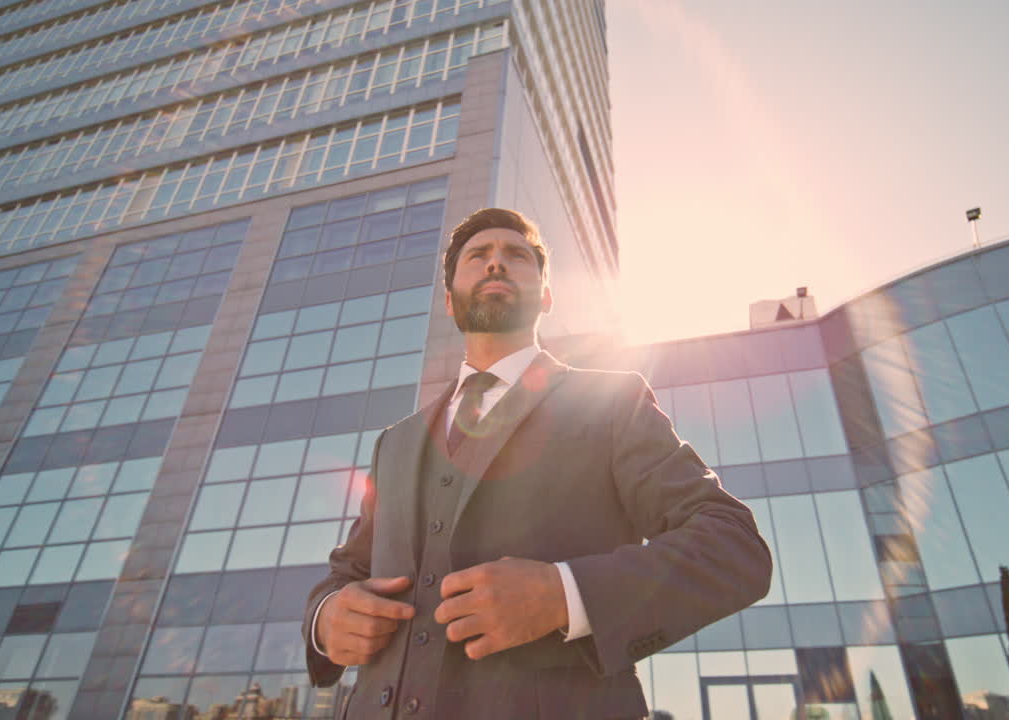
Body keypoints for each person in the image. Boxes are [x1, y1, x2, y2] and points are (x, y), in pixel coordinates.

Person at [302, 208, 772, 719]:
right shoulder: (394, 443)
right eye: (478, 256)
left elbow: (733, 546)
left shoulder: (612, 401)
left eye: (516, 256)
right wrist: (326, 620)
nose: (496, 264)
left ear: (546, 295)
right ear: (448, 301)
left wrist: (564, 594)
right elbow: (346, 572)